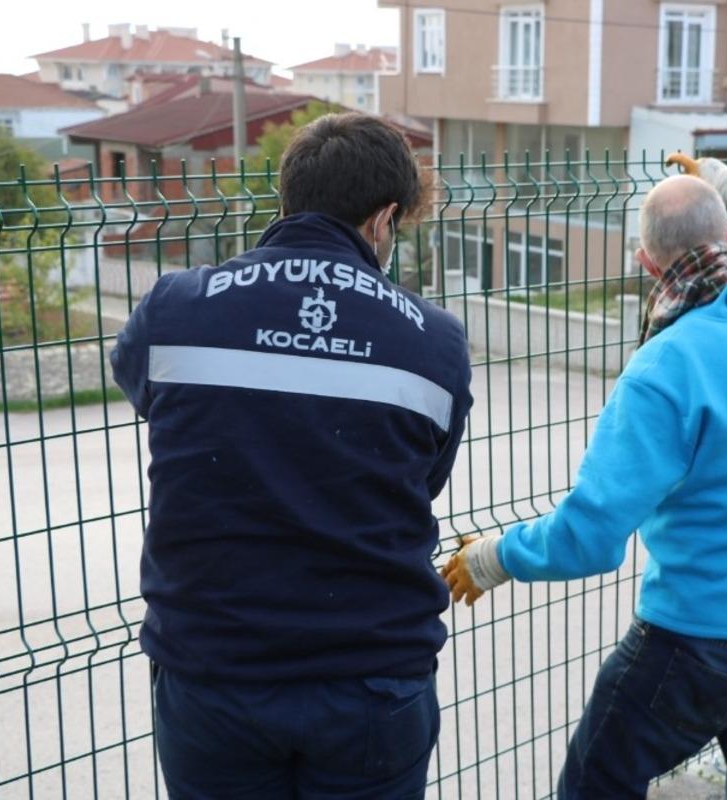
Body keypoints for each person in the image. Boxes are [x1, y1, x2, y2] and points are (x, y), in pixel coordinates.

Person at [443, 157, 727, 799]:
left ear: (646, 264)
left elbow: (591, 536)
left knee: (595, 784)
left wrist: (494, 557)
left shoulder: (663, 368)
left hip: (699, 644)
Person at [111, 112, 472, 799]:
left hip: (212, 671)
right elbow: (425, 477)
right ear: (382, 220)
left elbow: (145, 392)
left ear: (288, 197)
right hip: (370, 678)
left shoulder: (175, 308)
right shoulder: (435, 342)